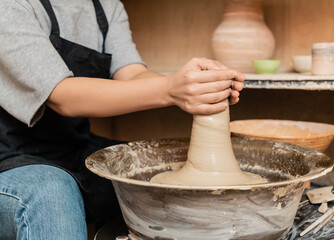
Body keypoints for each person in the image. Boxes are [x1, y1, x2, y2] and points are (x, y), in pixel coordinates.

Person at [0, 0, 245, 239]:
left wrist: (193, 85)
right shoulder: (10, 6)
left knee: (148, 174)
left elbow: (132, 74)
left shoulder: (106, 6)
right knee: (52, 191)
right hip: (9, 159)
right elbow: (61, 95)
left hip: (71, 149)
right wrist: (170, 89)